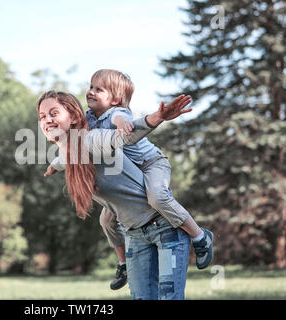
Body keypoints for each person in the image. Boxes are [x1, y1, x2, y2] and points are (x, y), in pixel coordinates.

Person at [45, 70, 214, 291]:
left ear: (115, 99)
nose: (91, 92)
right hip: (134, 171)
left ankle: (200, 236)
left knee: (157, 197)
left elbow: (121, 119)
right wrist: (55, 165)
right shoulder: (88, 119)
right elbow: (74, 148)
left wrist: (127, 122)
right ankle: (124, 263)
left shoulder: (117, 112)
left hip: (151, 163)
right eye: (91, 86)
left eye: (99, 89)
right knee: (106, 221)